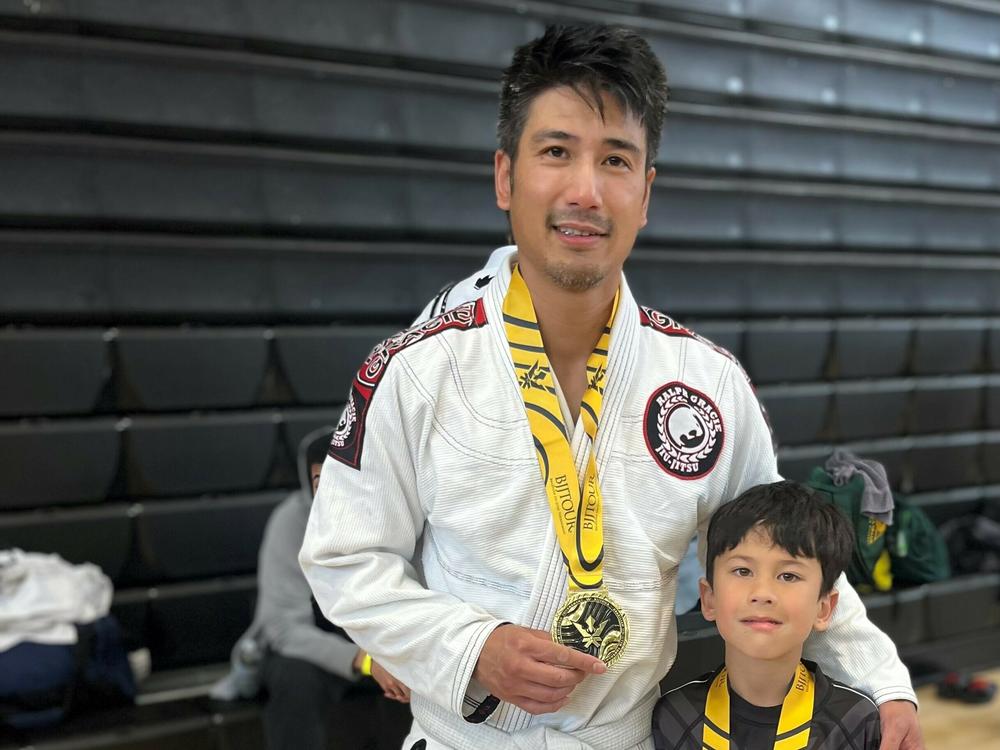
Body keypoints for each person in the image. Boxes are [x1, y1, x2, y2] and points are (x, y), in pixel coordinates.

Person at [301, 24, 923, 749]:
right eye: (557, 152)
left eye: (616, 160)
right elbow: (345, 558)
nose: (586, 191)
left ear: (646, 191)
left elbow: (788, 552)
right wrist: (470, 648)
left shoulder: (705, 384)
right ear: (505, 175)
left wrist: (881, 682)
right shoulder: (416, 369)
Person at [214, 426, 411, 750]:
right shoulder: (291, 522)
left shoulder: (389, 510)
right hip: (319, 648)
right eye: (322, 480)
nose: (334, 490)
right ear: (308, 484)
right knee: (294, 677)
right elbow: (282, 628)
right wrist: (364, 661)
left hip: (381, 641)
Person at [653, 480, 881, 749]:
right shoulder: (674, 716)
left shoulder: (855, 721)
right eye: (743, 571)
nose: (762, 593)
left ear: (824, 608)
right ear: (709, 598)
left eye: (788, 575)